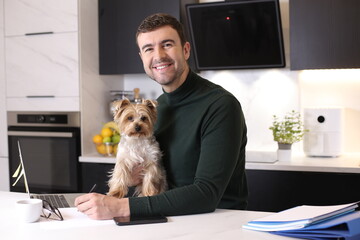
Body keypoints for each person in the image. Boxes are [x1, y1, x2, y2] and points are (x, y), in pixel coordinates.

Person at [75, 13, 248, 220]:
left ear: (185, 50)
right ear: (142, 58)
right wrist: (131, 178)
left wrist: (121, 207)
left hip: (217, 221)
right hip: (168, 218)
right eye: (148, 48)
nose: (158, 55)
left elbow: (207, 194)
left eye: (167, 44)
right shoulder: (158, 107)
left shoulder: (220, 105)